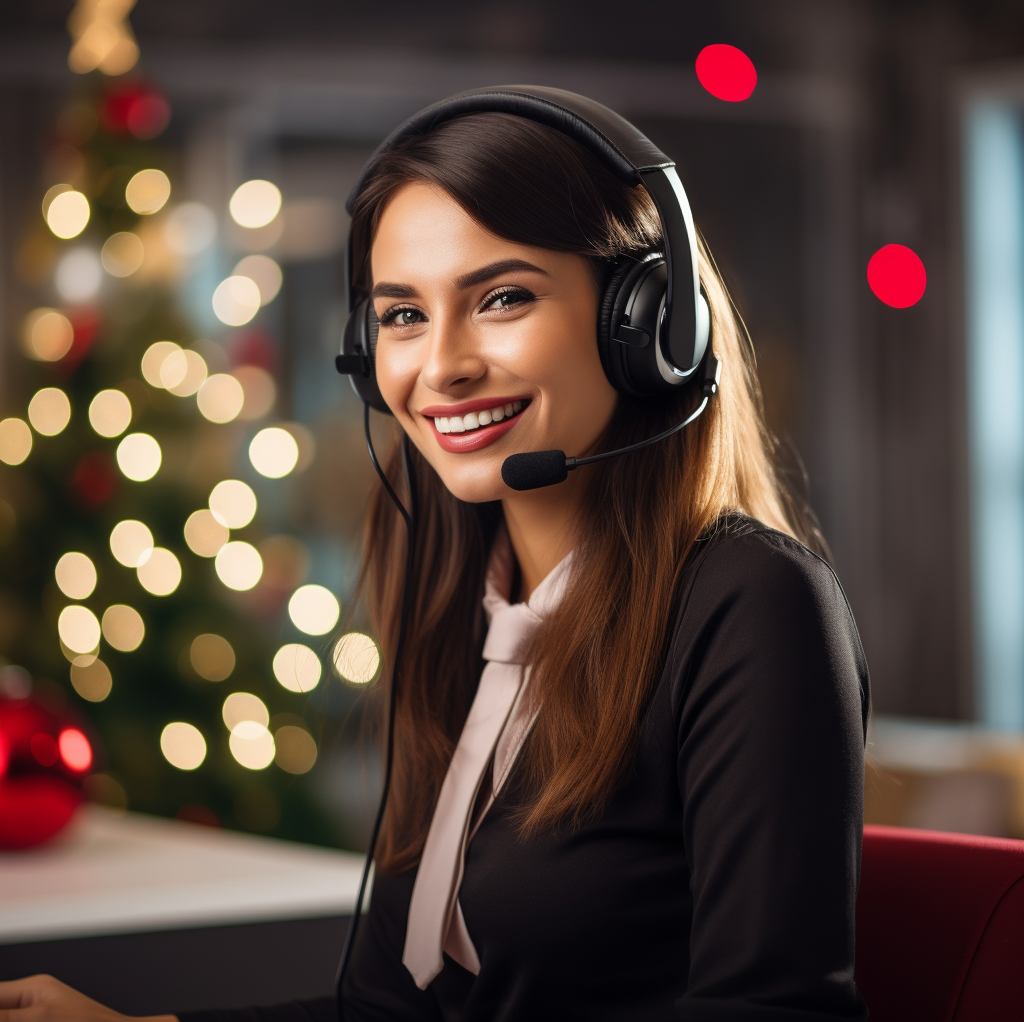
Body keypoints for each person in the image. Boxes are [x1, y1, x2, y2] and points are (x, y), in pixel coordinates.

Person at [0, 91, 869, 1022]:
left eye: (502, 298)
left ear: (648, 326)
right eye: (403, 315)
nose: (441, 365)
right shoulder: (469, 607)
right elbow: (391, 1011)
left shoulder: (752, 605)